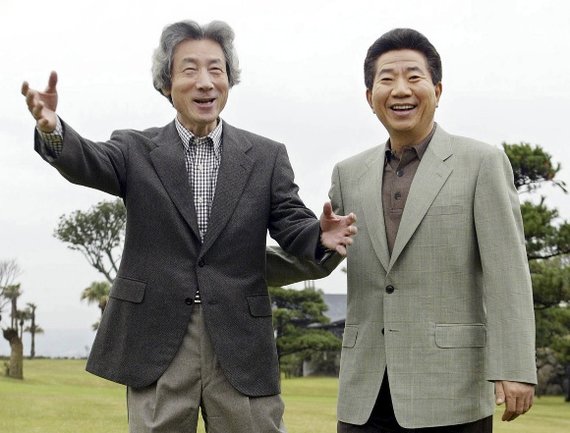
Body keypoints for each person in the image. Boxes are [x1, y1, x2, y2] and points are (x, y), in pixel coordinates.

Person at [21, 20, 356, 433]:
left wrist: (317, 234)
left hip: (239, 336)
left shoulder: (266, 156)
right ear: (166, 84)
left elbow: (290, 219)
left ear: (229, 80)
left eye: (216, 70)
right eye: (190, 70)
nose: (205, 83)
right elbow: (87, 160)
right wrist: (53, 130)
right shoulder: (134, 149)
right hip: (158, 338)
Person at [328, 28, 536, 432]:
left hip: (451, 390)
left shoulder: (482, 162)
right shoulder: (348, 174)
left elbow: (508, 272)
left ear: (437, 90)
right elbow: (327, 249)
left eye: (414, 77)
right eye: (386, 79)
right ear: (369, 97)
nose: (400, 89)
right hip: (365, 394)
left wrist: (515, 366)